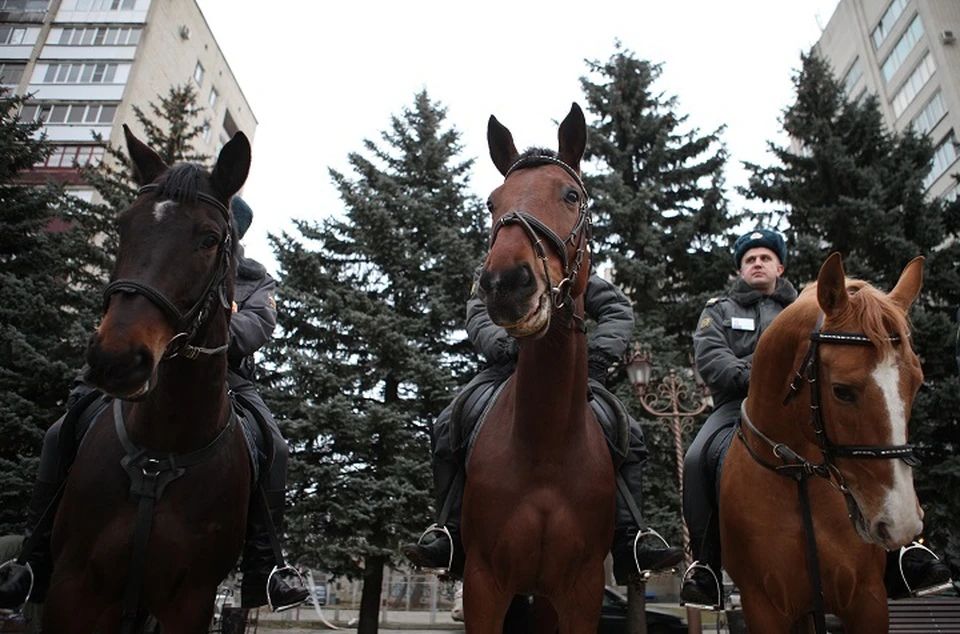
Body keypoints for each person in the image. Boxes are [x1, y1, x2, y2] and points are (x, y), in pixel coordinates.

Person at [0, 196, 308, 613]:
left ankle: (266, 566)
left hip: (223, 376)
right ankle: (32, 560)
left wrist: (197, 332)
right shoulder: (170, 257)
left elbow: (255, 328)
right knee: (62, 429)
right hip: (153, 358)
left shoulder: (256, 279)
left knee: (276, 447)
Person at [679, 228, 952, 607]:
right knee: (696, 458)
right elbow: (711, 358)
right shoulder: (719, 309)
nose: (757, 263)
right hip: (738, 407)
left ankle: (904, 552)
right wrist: (757, 378)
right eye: (749, 259)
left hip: (809, 405)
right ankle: (705, 565)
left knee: (876, 431)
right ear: (740, 270)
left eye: (765, 257)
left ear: (780, 266)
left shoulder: (819, 308)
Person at [402, 265, 684, 585]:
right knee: (446, 424)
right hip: (506, 372)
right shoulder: (492, 272)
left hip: (574, 375)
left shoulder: (573, 272)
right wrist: (508, 347)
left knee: (629, 431)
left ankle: (629, 539)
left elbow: (616, 308)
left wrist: (594, 357)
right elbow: (479, 313)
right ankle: (448, 536)